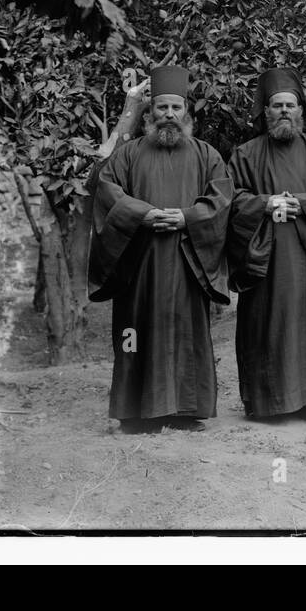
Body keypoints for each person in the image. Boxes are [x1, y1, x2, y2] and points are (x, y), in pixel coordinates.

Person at [89, 66, 233, 434]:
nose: (169, 115)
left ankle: (186, 410)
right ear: (149, 113)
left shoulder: (207, 155)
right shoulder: (128, 154)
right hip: (140, 265)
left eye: (176, 108)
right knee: (134, 334)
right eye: (161, 108)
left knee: (186, 331)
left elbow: (220, 202)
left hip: (187, 263)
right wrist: (144, 214)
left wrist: (187, 218)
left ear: (187, 113)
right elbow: (107, 191)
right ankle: (135, 412)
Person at [227, 68, 306, 421]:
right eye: (277, 105)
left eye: (290, 105)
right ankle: (262, 403)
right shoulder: (245, 155)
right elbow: (231, 199)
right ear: (265, 112)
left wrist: (304, 204)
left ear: (301, 111)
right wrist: (265, 204)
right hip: (264, 261)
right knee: (264, 326)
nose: (284, 111)